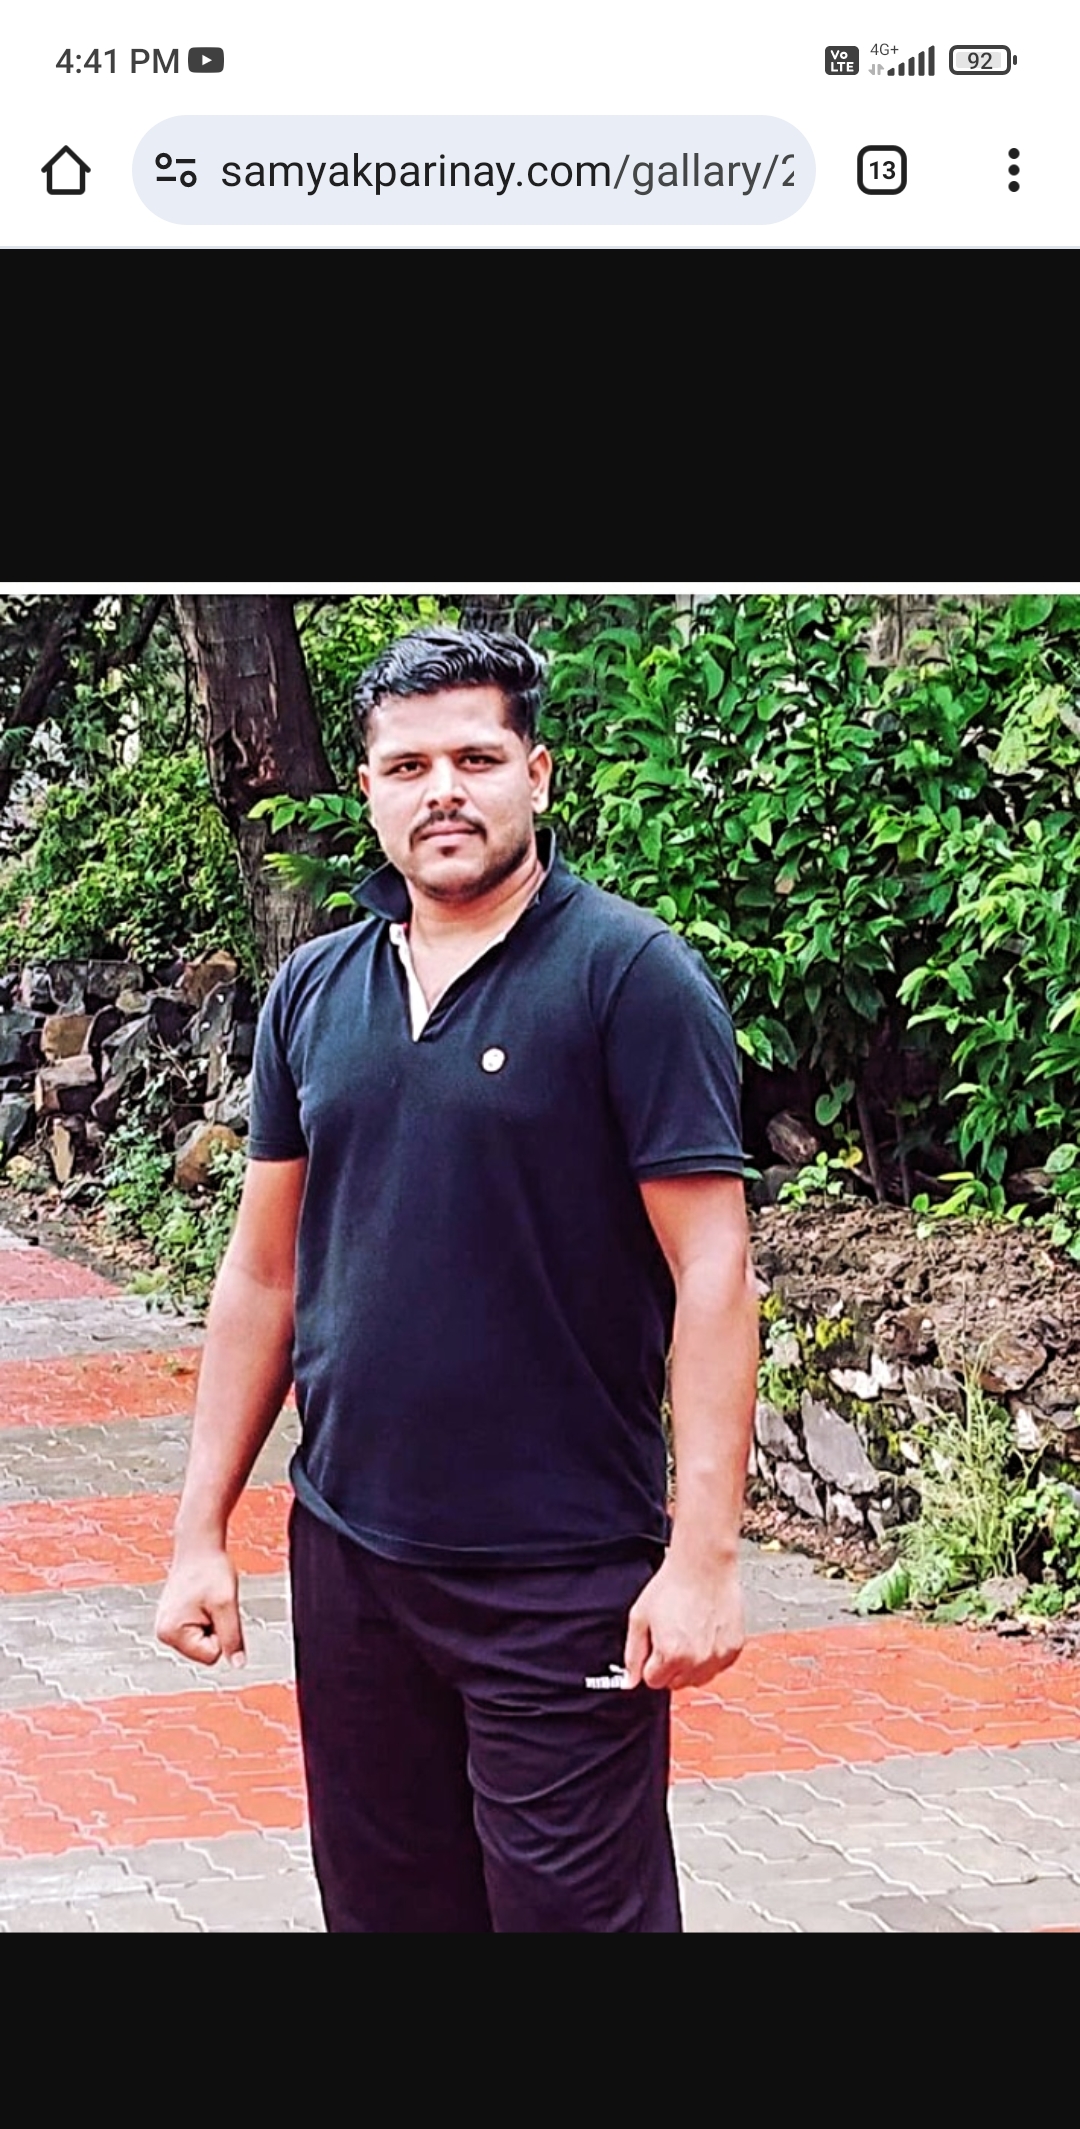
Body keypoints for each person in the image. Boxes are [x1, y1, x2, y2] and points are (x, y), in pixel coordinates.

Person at [155, 623, 759, 1933]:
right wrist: (202, 1532)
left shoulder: (627, 977)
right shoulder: (315, 991)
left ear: (536, 775)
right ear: (370, 791)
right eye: (408, 765)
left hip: (561, 1573)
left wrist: (703, 1559)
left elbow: (714, 1269)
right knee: (385, 1915)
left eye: (477, 758)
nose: (444, 791)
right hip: (353, 1559)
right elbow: (263, 1274)